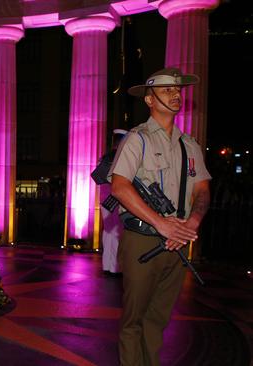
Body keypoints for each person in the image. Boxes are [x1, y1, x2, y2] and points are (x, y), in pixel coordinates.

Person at [109, 68, 211, 365]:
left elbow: (202, 189)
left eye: (177, 90)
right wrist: (161, 223)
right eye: (166, 90)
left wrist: (192, 223)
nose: (175, 94)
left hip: (177, 243)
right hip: (143, 240)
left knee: (157, 321)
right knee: (133, 321)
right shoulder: (137, 139)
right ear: (149, 100)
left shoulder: (189, 144)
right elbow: (119, 187)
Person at [99, 129, 127, 277]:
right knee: (117, 231)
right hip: (117, 198)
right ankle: (115, 267)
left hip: (105, 199)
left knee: (108, 231)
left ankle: (107, 265)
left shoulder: (105, 157)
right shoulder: (121, 157)